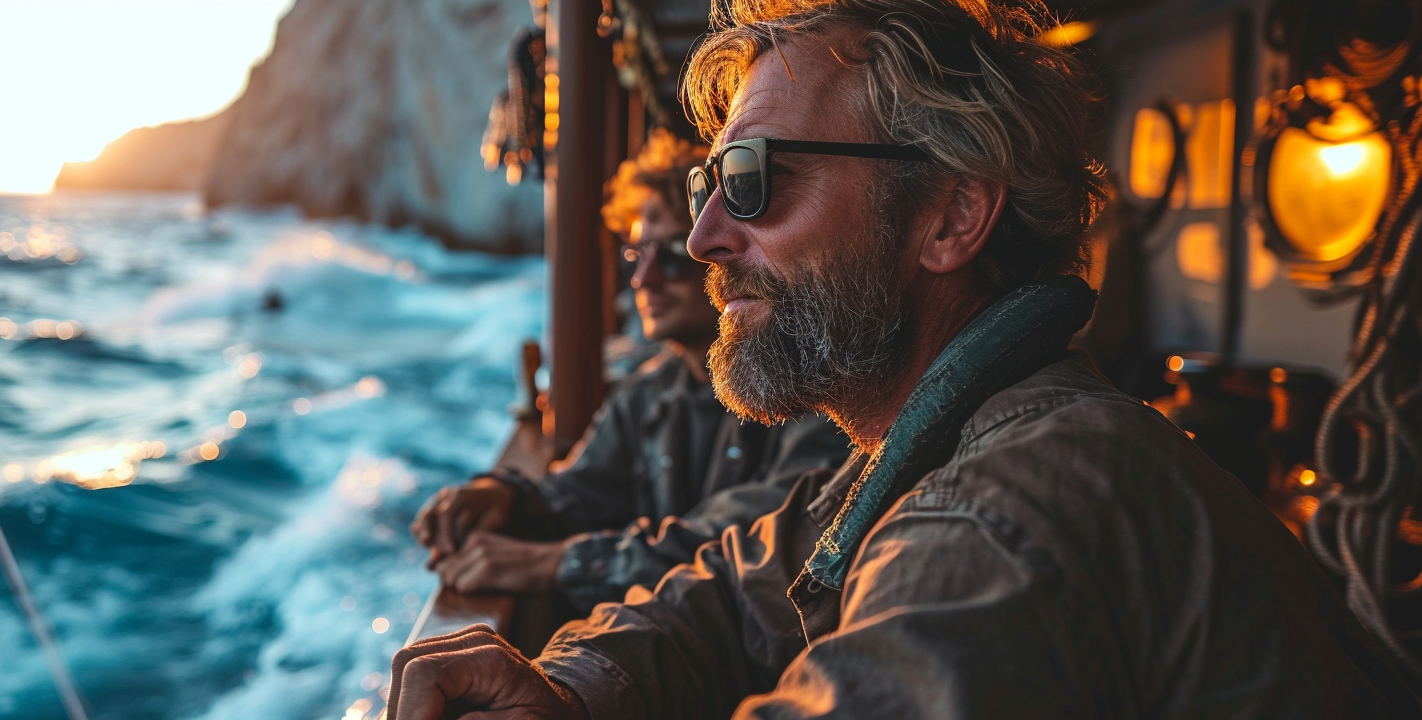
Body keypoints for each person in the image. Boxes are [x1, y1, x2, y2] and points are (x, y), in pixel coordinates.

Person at [385, 1, 1422, 718]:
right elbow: (737, 587)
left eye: (749, 177)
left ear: (952, 215)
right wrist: (569, 690)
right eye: (709, 179)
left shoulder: (1005, 512)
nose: (704, 235)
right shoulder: (924, 446)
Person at [411, 129, 850, 612]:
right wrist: (506, 496)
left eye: (673, 255)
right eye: (636, 256)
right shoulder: (645, 395)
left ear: (723, 253)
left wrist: (556, 563)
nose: (645, 279)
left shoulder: (812, 392)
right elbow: (582, 490)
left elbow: (745, 541)